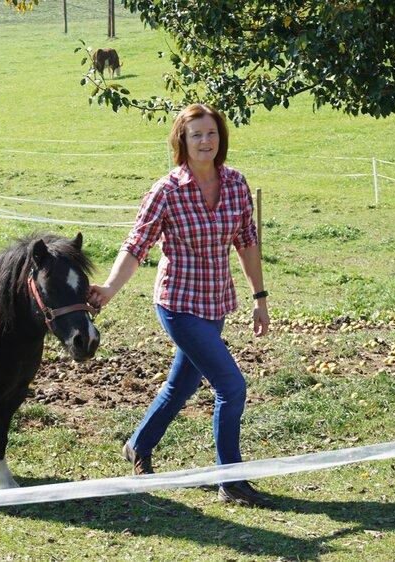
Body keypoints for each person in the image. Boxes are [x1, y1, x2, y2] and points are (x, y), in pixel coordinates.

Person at [87, 104, 271, 507]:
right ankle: (231, 478)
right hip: (178, 303)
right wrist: (110, 288)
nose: (206, 141)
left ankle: (137, 446)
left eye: (211, 134)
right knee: (231, 386)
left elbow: (247, 242)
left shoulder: (237, 184)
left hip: (215, 301)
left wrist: (260, 297)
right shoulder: (167, 191)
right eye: (196, 135)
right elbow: (136, 245)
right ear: (181, 142)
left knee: (183, 385)